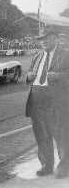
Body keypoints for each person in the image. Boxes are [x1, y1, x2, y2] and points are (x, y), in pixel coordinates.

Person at [25, 26, 69, 179]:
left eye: (46, 38)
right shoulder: (37, 56)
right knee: (41, 135)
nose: (43, 42)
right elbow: (30, 72)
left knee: (61, 134)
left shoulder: (65, 55)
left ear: (56, 39)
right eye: (41, 39)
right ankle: (46, 165)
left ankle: (64, 167)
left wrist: (60, 76)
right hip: (37, 98)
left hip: (55, 100)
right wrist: (29, 76)